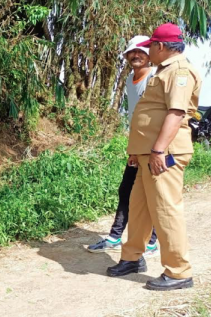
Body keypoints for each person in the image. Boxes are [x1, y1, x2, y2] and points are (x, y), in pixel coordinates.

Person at [106, 23, 202, 291]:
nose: (148, 50)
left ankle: (179, 272)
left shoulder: (180, 72)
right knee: (139, 208)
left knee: (166, 210)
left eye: (150, 46)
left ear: (161, 46)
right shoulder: (164, 70)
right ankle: (132, 258)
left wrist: (158, 150)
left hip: (164, 154)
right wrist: (140, 152)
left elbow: (176, 113)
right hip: (148, 155)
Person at [87, 36, 159, 257]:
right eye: (132, 52)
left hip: (155, 147)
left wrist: (156, 148)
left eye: (141, 52)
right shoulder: (130, 79)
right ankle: (115, 237)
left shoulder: (156, 77)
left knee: (154, 194)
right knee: (126, 190)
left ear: (150, 55)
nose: (136, 55)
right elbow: (133, 118)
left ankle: (152, 241)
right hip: (138, 146)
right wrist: (133, 149)